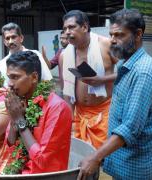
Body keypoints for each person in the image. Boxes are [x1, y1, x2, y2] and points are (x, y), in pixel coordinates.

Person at [77, 9, 152, 180]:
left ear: (138, 34)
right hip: (123, 159)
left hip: (135, 164)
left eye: (119, 35)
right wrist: (101, 79)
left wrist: (95, 157)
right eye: (111, 34)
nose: (112, 40)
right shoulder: (127, 63)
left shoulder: (144, 72)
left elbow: (130, 127)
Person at [3, 51, 72, 174]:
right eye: (9, 77)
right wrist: (15, 118)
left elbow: (43, 161)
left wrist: (20, 121)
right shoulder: (19, 103)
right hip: (18, 173)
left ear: (34, 77)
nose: (10, 84)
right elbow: (9, 148)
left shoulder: (57, 108)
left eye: (15, 77)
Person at [61, 10, 117, 149]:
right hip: (79, 115)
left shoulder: (107, 45)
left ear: (85, 27)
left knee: (104, 159)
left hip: (105, 113)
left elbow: (128, 71)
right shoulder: (64, 55)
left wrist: (102, 80)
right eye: (65, 29)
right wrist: (70, 123)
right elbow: (67, 94)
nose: (67, 32)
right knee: (81, 157)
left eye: (71, 27)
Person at [0, 22, 52, 87]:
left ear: (21, 38)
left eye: (13, 37)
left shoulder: (35, 55)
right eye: (7, 38)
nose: (10, 41)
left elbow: (47, 80)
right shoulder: (2, 64)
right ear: (4, 42)